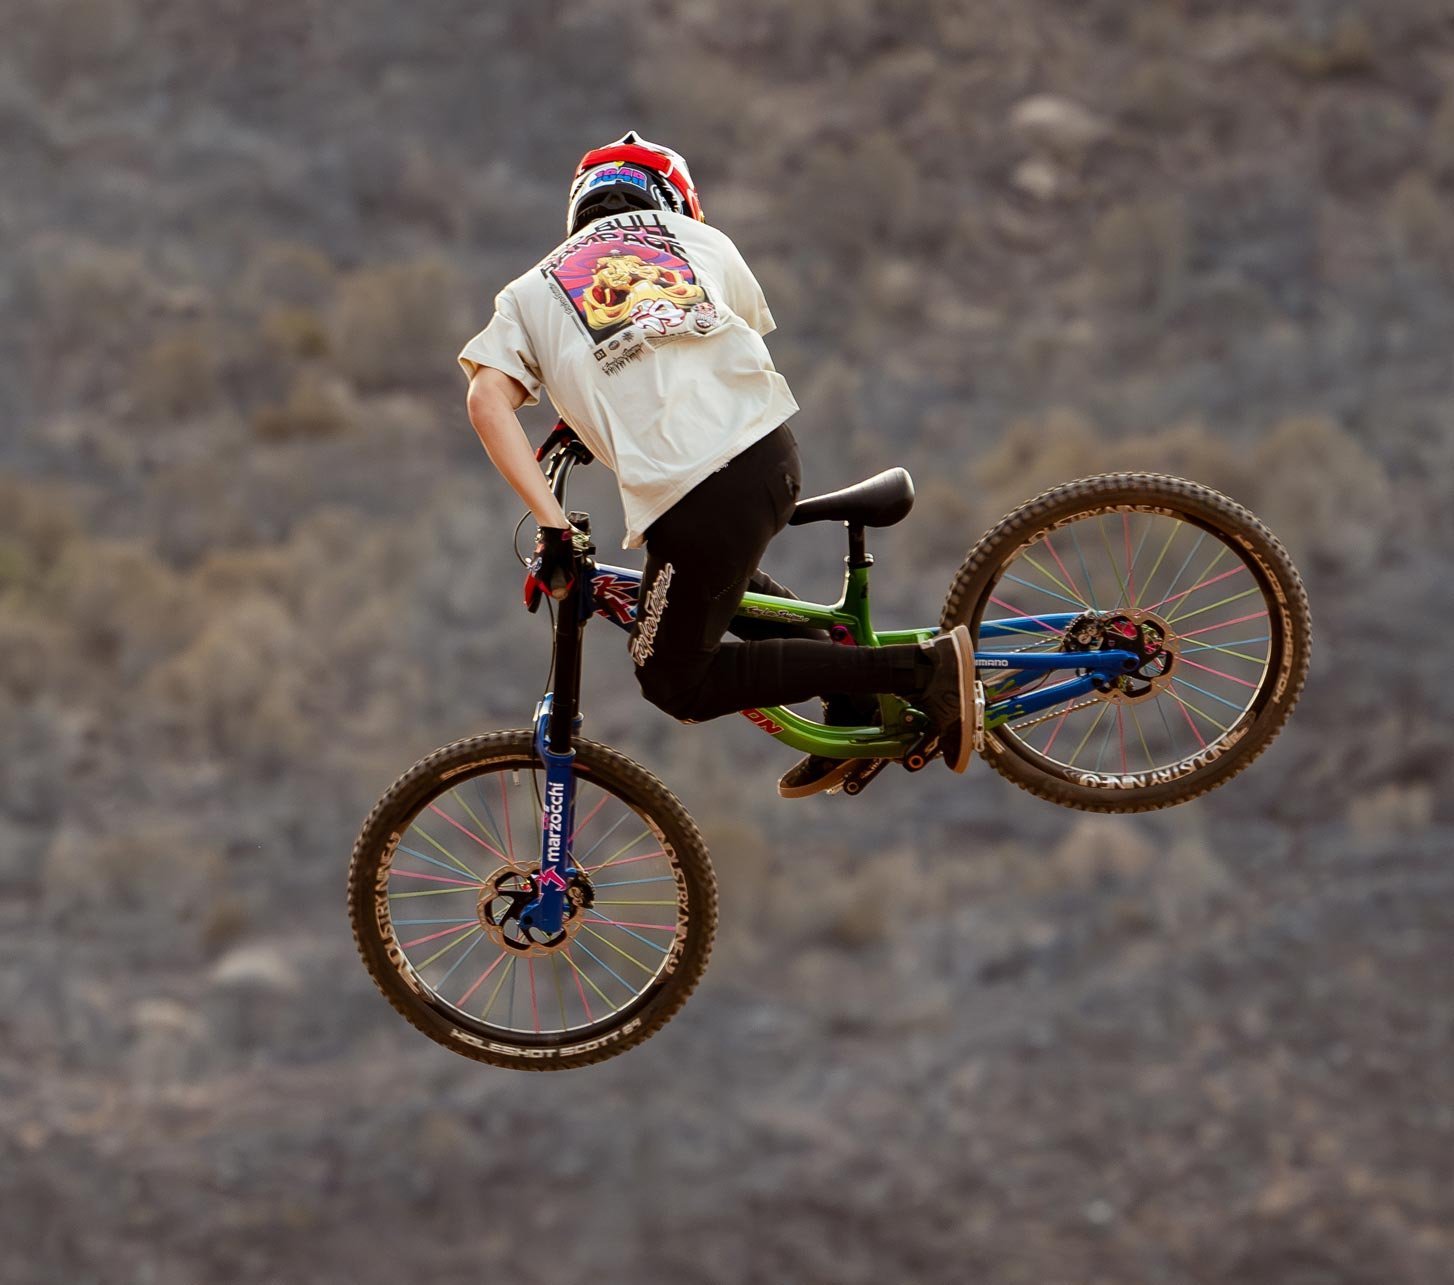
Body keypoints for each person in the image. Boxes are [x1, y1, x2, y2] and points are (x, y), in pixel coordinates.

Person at [457, 130, 975, 795]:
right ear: (673, 199)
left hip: (696, 495)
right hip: (768, 456)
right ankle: (856, 700)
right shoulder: (707, 243)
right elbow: (702, 347)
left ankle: (920, 672)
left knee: (673, 678)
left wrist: (552, 523)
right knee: (710, 590)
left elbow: (486, 400)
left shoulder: (529, 291)